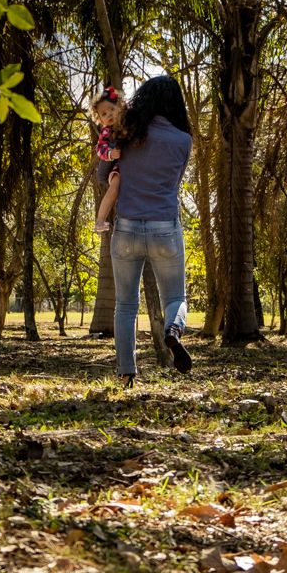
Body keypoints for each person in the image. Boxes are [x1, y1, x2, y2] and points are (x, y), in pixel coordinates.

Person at [104, 75, 193, 386]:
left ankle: (126, 374)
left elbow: (104, 172)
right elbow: (174, 182)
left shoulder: (126, 134)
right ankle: (172, 330)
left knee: (126, 305)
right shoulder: (183, 140)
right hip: (165, 226)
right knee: (176, 296)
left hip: (127, 226)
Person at [91, 86, 124, 233]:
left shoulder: (128, 123)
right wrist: (110, 154)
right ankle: (100, 220)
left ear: (119, 108)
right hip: (117, 167)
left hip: (130, 164)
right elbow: (100, 149)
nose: (109, 114)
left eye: (112, 109)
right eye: (104, 114)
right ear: (100, 119)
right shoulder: (106, 131)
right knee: (113, 189)